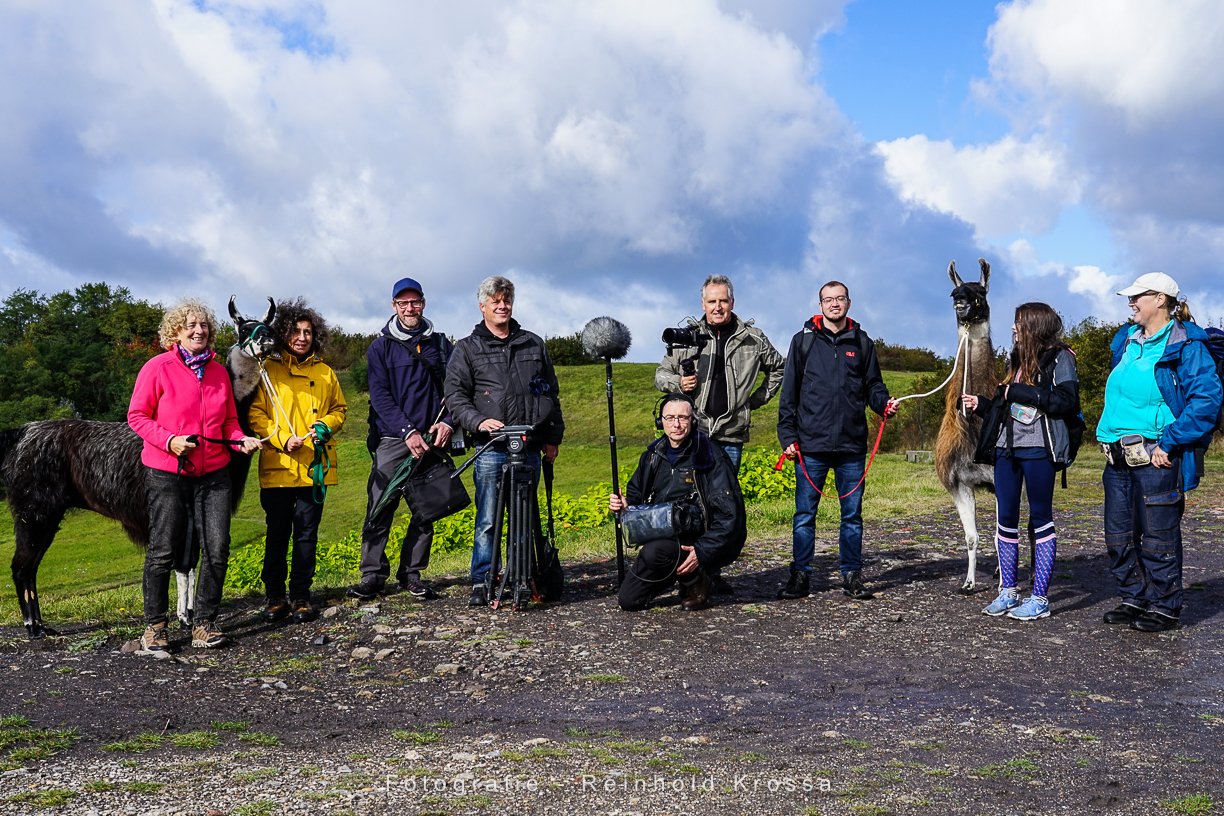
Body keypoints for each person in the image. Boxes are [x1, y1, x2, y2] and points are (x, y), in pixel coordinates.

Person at [128, 299, 262, 654]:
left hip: (215, 473)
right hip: (167, 472)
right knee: (162, 551)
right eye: (190, 325)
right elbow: (137, 417)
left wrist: (241, 440)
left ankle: (204, 623)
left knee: (217, 549)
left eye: (203, 325)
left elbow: (229, 423)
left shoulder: (219, 372)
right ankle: (155, 628)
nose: (198, 330)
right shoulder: (157, 368)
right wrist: (169, 441)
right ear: (175, 331)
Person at [1095, 273, 1222, 632]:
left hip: (1155, 458)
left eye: (1138, 297)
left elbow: (1207, 400)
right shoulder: (1129, 341)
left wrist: (1170, 442)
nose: (1130, 302)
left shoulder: (1187, 345)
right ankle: (1134, 597)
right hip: (1116, 458)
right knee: (1117, 536)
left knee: (1157, 536)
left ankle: (1165, 606)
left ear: (1161, 300)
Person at [655, 274, 783, 594]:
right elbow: (661, 375)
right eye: (711, 301)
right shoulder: (687, 337)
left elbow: (779, 367)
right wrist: (677, 385)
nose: (717, 307)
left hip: (731, 433)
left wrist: (754, 401)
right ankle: (689, 573)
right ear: (703, 304)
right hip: (693, 433)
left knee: (723, 507)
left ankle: (711, 571)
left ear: (732, 303)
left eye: (723, 301)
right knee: (690, 506)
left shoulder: (752, 338)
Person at [443, 275, 564, 607]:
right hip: (491, 449)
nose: (502, 305)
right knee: (488, 519)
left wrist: (552, 436)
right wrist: (479, 421)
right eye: (495, 301)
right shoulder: (467, 348)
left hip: (529, 445)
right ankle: (483, 580)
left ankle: (522, 575)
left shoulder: (532, 344)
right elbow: (455, 396)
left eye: (506, 300)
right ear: (482, 306)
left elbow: (550, 392)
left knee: (525, 517)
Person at [776, 280, 898, 601]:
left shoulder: (862, 342)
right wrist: (787, 435)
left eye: (839, 299)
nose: (834, 304)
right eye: (828, 300)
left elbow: (874, 386)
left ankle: (852, 576)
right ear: (820, 306)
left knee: (852, 517)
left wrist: (883, 404)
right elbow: (789, 393)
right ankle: (800, 576)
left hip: (851, 447)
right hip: (810, 447)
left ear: (848, 302)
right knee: (804, 516)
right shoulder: (802, 342)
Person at [961, 303, 1080, 621]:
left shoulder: (1061, 357)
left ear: (1034, 326)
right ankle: (1008, 592)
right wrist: (983, 404)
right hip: (1004, 450)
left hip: (1039, 450)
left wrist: (1021, 392)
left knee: (1041, 519)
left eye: (1017, 323)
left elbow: (1067, 402)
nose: (1013, 329)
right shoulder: (1015, 360)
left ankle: (1040, 599)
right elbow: (1008, 407)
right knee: (1005, 520)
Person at [347, 278, 454, 600]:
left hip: (432, 439)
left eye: (415, 302)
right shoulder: (380, 347)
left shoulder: (440, 344)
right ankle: (372, 576)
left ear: (423, 303)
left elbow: (455, 390)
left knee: (427, 509)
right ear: (394, 306)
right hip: (393, 439)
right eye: (403, 303)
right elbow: (379, 395)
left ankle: (412, 574)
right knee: (380, 507)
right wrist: (407, 431)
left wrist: (447, 422)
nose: (410, 308)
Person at [248, 299, 347, 623]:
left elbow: (339, 411)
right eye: (296, 331)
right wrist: (280, 439)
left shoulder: (326, 372)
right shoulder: (267, 370)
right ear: (284, 334)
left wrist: (324, 426)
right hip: (278, 467)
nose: (302, 337)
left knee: (307, 535)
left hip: (313, 469)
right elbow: (256, 414)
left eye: (308, 332)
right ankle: (275, 597)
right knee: (277, 534)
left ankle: (301, 597)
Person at [610, 393, 746, 612]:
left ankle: (697, 581)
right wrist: (624, 507)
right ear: (660, 421)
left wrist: (702, 551)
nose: (676, 424)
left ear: (692, 421)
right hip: (660, 539)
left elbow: (730, 516)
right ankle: (682, 576)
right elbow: (635, 498)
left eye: (683, 418)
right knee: (629, 600)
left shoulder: (711, 456)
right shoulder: (652, 456)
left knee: (652, 553)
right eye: (669, 417)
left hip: (697, 537)